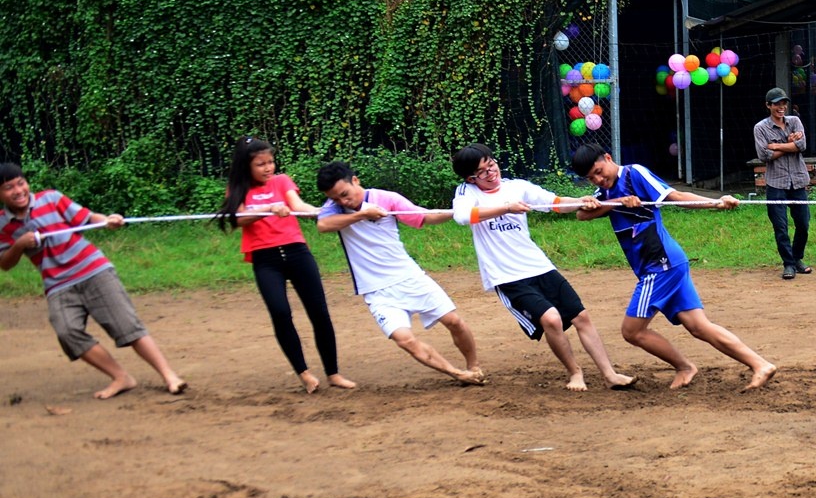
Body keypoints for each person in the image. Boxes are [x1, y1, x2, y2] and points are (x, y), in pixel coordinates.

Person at [569, 144, 776, 391]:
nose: (598, 179)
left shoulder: (634, 174)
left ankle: (684, 366)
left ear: (608, 158)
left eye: (599, 171)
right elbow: (582, 215)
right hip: (666, 264)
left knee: (632, 331)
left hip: (660, 265)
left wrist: (715, 202)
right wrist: (618, 202)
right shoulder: (606, 191)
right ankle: (760, 365)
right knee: (699, 327)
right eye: (591, 178)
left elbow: (674, 197)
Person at [450, 144, 632, 391]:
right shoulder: (467, 192)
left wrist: (581, 201)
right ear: (471, 178)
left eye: (491, 164)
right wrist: (506, 208)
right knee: (551, 319)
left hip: (539, 266)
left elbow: (554, 203)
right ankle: (575, 373)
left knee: (581, 316)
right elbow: (462, 216)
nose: (491, 172)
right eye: (482, 172)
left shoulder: (517, 187)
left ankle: (610, 374)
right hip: (507, 276)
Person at [0, 161, 187, 399]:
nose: (18, 191)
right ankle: (121, 377)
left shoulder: (51, 199)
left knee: (127, 325)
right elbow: (5, 263)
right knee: (67, 332)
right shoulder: (2, 224)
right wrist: (19, 244)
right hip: (57, 284)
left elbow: (87, 218)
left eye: (20, 183)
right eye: (9, 187)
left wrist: (107, 220)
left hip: (93, 270)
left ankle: (169, 376)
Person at [315, 162, 482, 384]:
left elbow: (423, 217)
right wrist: (362, 215)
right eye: (335, 199)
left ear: (355, 180)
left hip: (409, 277)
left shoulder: (385, 198)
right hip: (375, 290)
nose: (343, 201)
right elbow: (323, 225)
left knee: (454, 321)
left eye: (345, 194)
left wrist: (458, 213)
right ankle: (458, 374)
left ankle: (474, 366)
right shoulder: (334, 207)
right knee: (405, 340)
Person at [217, 136, 350, 393]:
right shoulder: (237, 189)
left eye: (270, 162)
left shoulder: (282, 181)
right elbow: (239, 218)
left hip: (297, 251)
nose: (268, 168)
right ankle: (304, 374)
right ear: (246, 166)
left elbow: (298, 205)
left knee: (319, 313)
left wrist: (319, 212)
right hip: (265, 258)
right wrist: (268, 207)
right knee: (280, 313)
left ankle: (333, 373)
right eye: (261, 164)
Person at [754, 87, 812, 279]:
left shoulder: (794, 121)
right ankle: (788, 264)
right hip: (776, 183)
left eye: (783, 103)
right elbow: (764, 155)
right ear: (768, 105)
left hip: (798, 180)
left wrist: (777, 145)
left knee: (803, 223)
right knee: (780, 226)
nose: (781, 107)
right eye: (777, 104)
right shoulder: (760, 128)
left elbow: (802, 145)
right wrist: (790, 145)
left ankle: (797, 258)